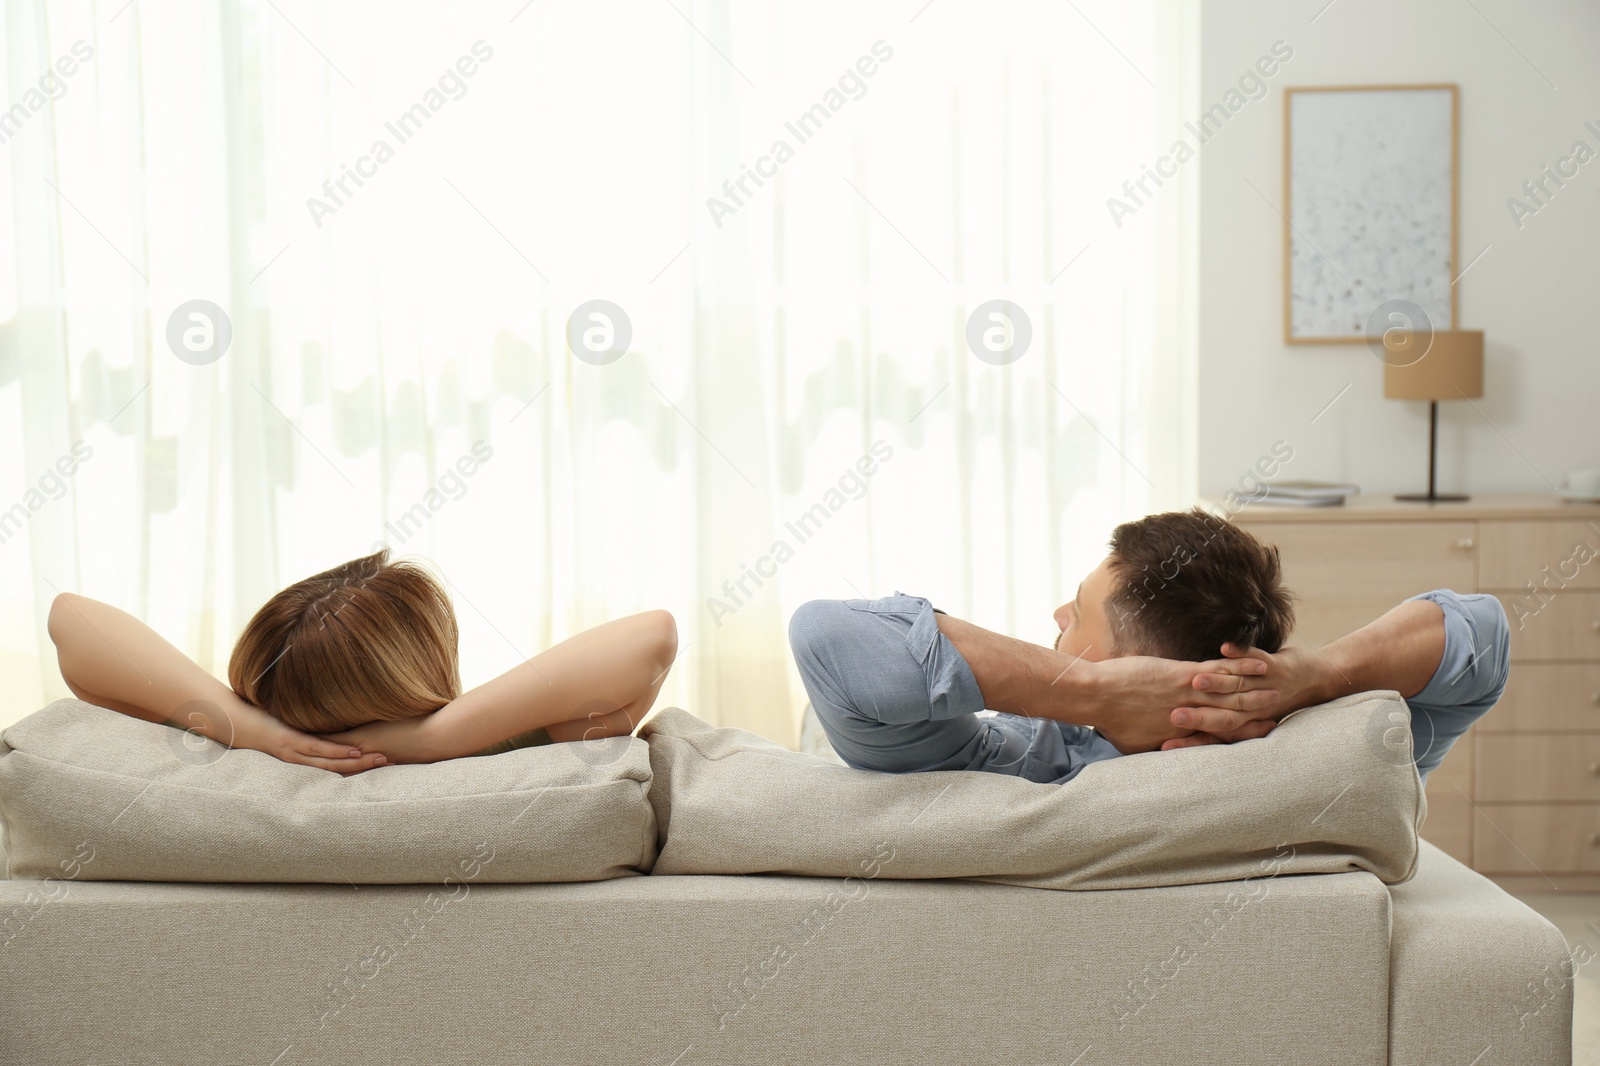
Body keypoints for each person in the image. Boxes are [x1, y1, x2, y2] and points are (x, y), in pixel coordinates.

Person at [789, 507, 1507, 785]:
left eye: (1077, 617)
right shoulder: (1327, 758)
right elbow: (1480, 634)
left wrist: (1085, 696)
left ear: (1124, 671)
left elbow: (826, 637)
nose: (1056, 614)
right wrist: (1317, 675)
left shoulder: (1013, 763)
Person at [48, 549, 677, 774]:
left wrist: (253, 729)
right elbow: (654, 638)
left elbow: (71, 621)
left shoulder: (227, 745)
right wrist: (437, 738)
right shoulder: (510, 747)